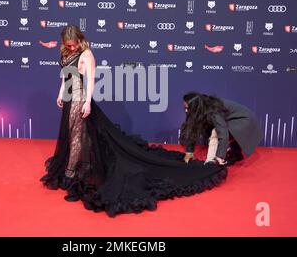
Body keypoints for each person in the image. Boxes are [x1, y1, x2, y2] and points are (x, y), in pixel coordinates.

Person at [40, 26, 227, 217]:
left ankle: (70, 174)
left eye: (73, 45)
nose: (71, 48)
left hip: (80, 98)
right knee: (72, 135)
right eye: (68, 45)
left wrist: (88, 102)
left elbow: (90, 81)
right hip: (69, 97)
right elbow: (65, 74)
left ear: (80, 40)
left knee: (77, 138)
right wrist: (61, 93)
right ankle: (75, 168)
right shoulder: (65, 51)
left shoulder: (86, 54)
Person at [179, 91, 263, 166]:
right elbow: (192, 127)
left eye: (188, 108)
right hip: (235, 119)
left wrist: (220, 156)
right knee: (217, 129)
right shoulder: (198, 107)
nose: (186, 111)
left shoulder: (212, 110)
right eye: (185, 108)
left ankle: (210, 163)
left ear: (195, 106)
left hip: (244, 120)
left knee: (215, 133)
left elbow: (222, 132)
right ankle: (236, 155)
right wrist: (189, 152)